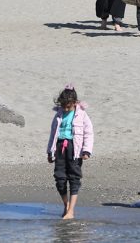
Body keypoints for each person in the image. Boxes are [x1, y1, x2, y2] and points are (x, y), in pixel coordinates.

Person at [47, 84, 94, 219]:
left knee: (74, 177)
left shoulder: (82, 115)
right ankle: (66, 205)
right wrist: (49, 152)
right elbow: (52, 134)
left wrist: (86, 151)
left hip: (75, 148)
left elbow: (88, 133)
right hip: (60, 148)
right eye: (64, 106)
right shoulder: (58, 114)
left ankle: (71, 211)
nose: (66, 109)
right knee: (60, 178)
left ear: (75, 103)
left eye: (68, 106)